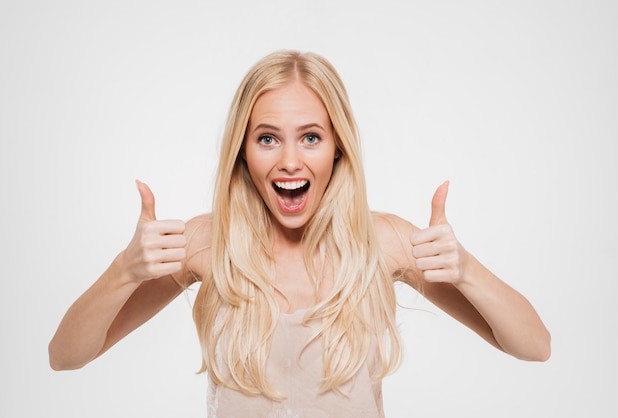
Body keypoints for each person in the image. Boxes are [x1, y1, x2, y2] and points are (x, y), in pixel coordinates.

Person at [48, 50, 550, 417]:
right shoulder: (207, 245)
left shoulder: (384, 243)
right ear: (243, 151)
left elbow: (533, 346)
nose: (290, 161)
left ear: (337, 147)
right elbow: (66, 357)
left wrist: (466, 270)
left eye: (311, 137)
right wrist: (122, 271)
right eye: (268, 138)